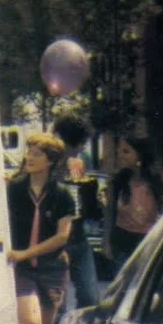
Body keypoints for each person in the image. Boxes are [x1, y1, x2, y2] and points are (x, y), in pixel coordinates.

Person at [6, 133, 76, 324]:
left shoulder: (62, 195)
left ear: (50, 161)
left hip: (52, 268)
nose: (29, 158)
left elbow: (62, 236)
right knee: (30, 321)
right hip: (23, 268)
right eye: (29, 152)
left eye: (36, 154)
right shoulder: (14, 189)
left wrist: (29, 252)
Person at [52, 115, 100, 310]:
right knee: (58, 304)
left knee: (90, 298)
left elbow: (80, 198)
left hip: (79, 238)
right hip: (56, 242)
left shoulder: (78, 165)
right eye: (82, 143)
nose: (83, 148)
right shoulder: (48, 167)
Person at [105, 136, 163, 270]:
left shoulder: (157, 182)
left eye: (126, 151)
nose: (121, 155)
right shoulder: (118, 181)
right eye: (119, 151)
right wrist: (106, 242)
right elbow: (110, 213)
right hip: (122, 242)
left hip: (149, 242)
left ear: (139, 155)